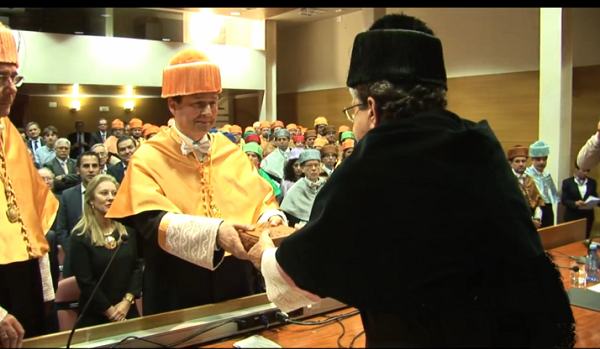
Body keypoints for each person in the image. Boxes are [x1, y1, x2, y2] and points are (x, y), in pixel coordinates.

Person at [247, 13, 575, 348]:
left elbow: (297, 280)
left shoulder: (372, 163)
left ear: (371, 108)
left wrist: (265, 254)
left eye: (354, 110)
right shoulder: (479, 144)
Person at [105, 48, 287, 316]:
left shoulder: (229, 150)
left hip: (234, 279)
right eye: (198, 104)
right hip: (178, 284)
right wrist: (214, 233)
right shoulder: (148, 156)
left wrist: (270, 216)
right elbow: (151, 222)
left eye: (213, 103)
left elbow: (260, 198)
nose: (208, 112)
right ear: (173, 105)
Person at [0, 22, 59, 346]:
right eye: (0, 78)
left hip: (24, 280)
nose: (12, 89)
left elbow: (31, 221)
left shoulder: (9, 134)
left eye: (14, 77)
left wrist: (46, 287)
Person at [70, 175, 143, 327]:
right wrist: (110, 311)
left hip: (127, 310)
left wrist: (127, 301)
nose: (111, 198)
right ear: (91, 200)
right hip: (95, 315)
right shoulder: (80, 236)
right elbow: (86, 281)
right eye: (104, 193)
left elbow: (137, 266)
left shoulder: (128, 230)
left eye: (114, 193)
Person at [561, 162, 599, 238]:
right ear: (576, 170)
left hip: (587, 216)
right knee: (571, 239)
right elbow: (564, 200)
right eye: (584, 171)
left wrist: (596, 201)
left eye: (587, 171)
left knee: (585, 238)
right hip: (572, 216)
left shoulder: (592, 182)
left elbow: (595, 196)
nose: (586, 173)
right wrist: (575, 203)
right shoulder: (567, 182)